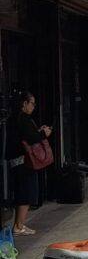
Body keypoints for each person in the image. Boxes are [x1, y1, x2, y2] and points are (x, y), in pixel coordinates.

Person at [7, 91, 52, 236]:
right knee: (26, 192)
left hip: (17, 160)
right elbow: (31, 138)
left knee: (23, 191)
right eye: (32, 103)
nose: (33, 106)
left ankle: (19, 224)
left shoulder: (14, 119)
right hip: (24, 160)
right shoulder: (23, 119)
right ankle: (19, 225)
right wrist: (44, 133)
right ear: (24, 104)